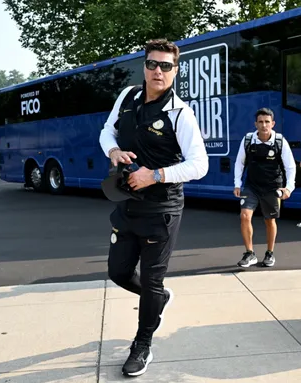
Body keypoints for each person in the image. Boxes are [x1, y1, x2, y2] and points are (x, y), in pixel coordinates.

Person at [99, 38, 209, 377]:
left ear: (175, 71)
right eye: (152, 64)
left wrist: (156, 175)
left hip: (162, 208)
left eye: (165, 66)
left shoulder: (180, 112)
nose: (157, 71)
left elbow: (199, 165)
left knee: (151, 279)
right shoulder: (129, 96)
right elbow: (107, 132)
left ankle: (142, 344)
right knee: (117, 272)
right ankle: (158, 297)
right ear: (144, 67)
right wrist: (113, 152)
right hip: (126, 203)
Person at [233, 108, 296, 268]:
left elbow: (290, 167)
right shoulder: (248, 140)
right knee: (245, 216)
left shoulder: (280, 141)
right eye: (260, 122)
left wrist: (288, 188)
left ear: (273, 124)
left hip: (272, 187)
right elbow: (239, 162)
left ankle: (269, 253)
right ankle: (249, 253)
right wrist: (237, 184)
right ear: (255, 124)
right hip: (251, 186)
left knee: (270, 220)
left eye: (267, 122)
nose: (264, 125)